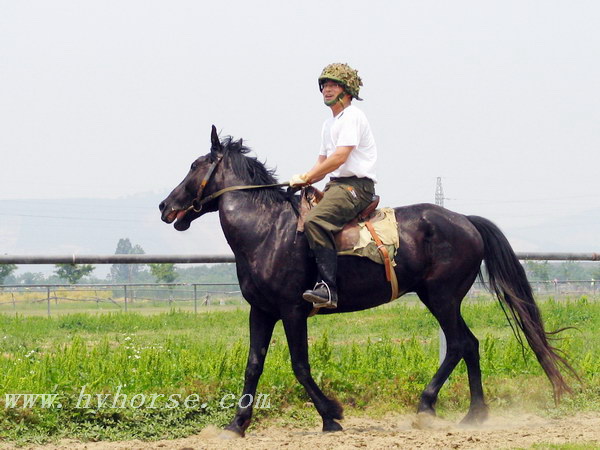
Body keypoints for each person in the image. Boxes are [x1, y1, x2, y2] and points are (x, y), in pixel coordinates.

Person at [289, 63, 378, 309]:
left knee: (315, 221)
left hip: (355, 187)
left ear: (347, 90)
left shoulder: (353, 116)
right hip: (335, 185)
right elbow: (322, 162)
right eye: (324, 86)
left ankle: (328, 288)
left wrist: (307, 176)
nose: (326, 90)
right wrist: (302, 180)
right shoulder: (328, 124)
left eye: (333, 85)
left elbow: (339, 158)